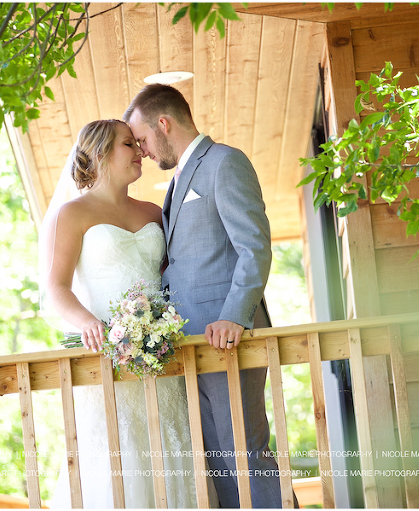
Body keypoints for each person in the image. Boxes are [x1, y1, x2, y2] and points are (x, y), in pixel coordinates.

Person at [125, 84, 290, 508]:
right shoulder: (178, 180)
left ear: (164, 123)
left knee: (245, 449)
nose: (141, 150)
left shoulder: (224, 163)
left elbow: (254, 247)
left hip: (228, 334)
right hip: (191, 342)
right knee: (218, 456)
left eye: (141, 138)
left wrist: (236, 315)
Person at [39, 119, 197, 508]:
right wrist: (89, 324)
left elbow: (172, 276)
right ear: (101, 153)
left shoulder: (153, 211)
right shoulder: (72, 214)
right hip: (109, 358)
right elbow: (55, 288)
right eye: (130, 144)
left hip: (162, 356)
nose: (141, 151)